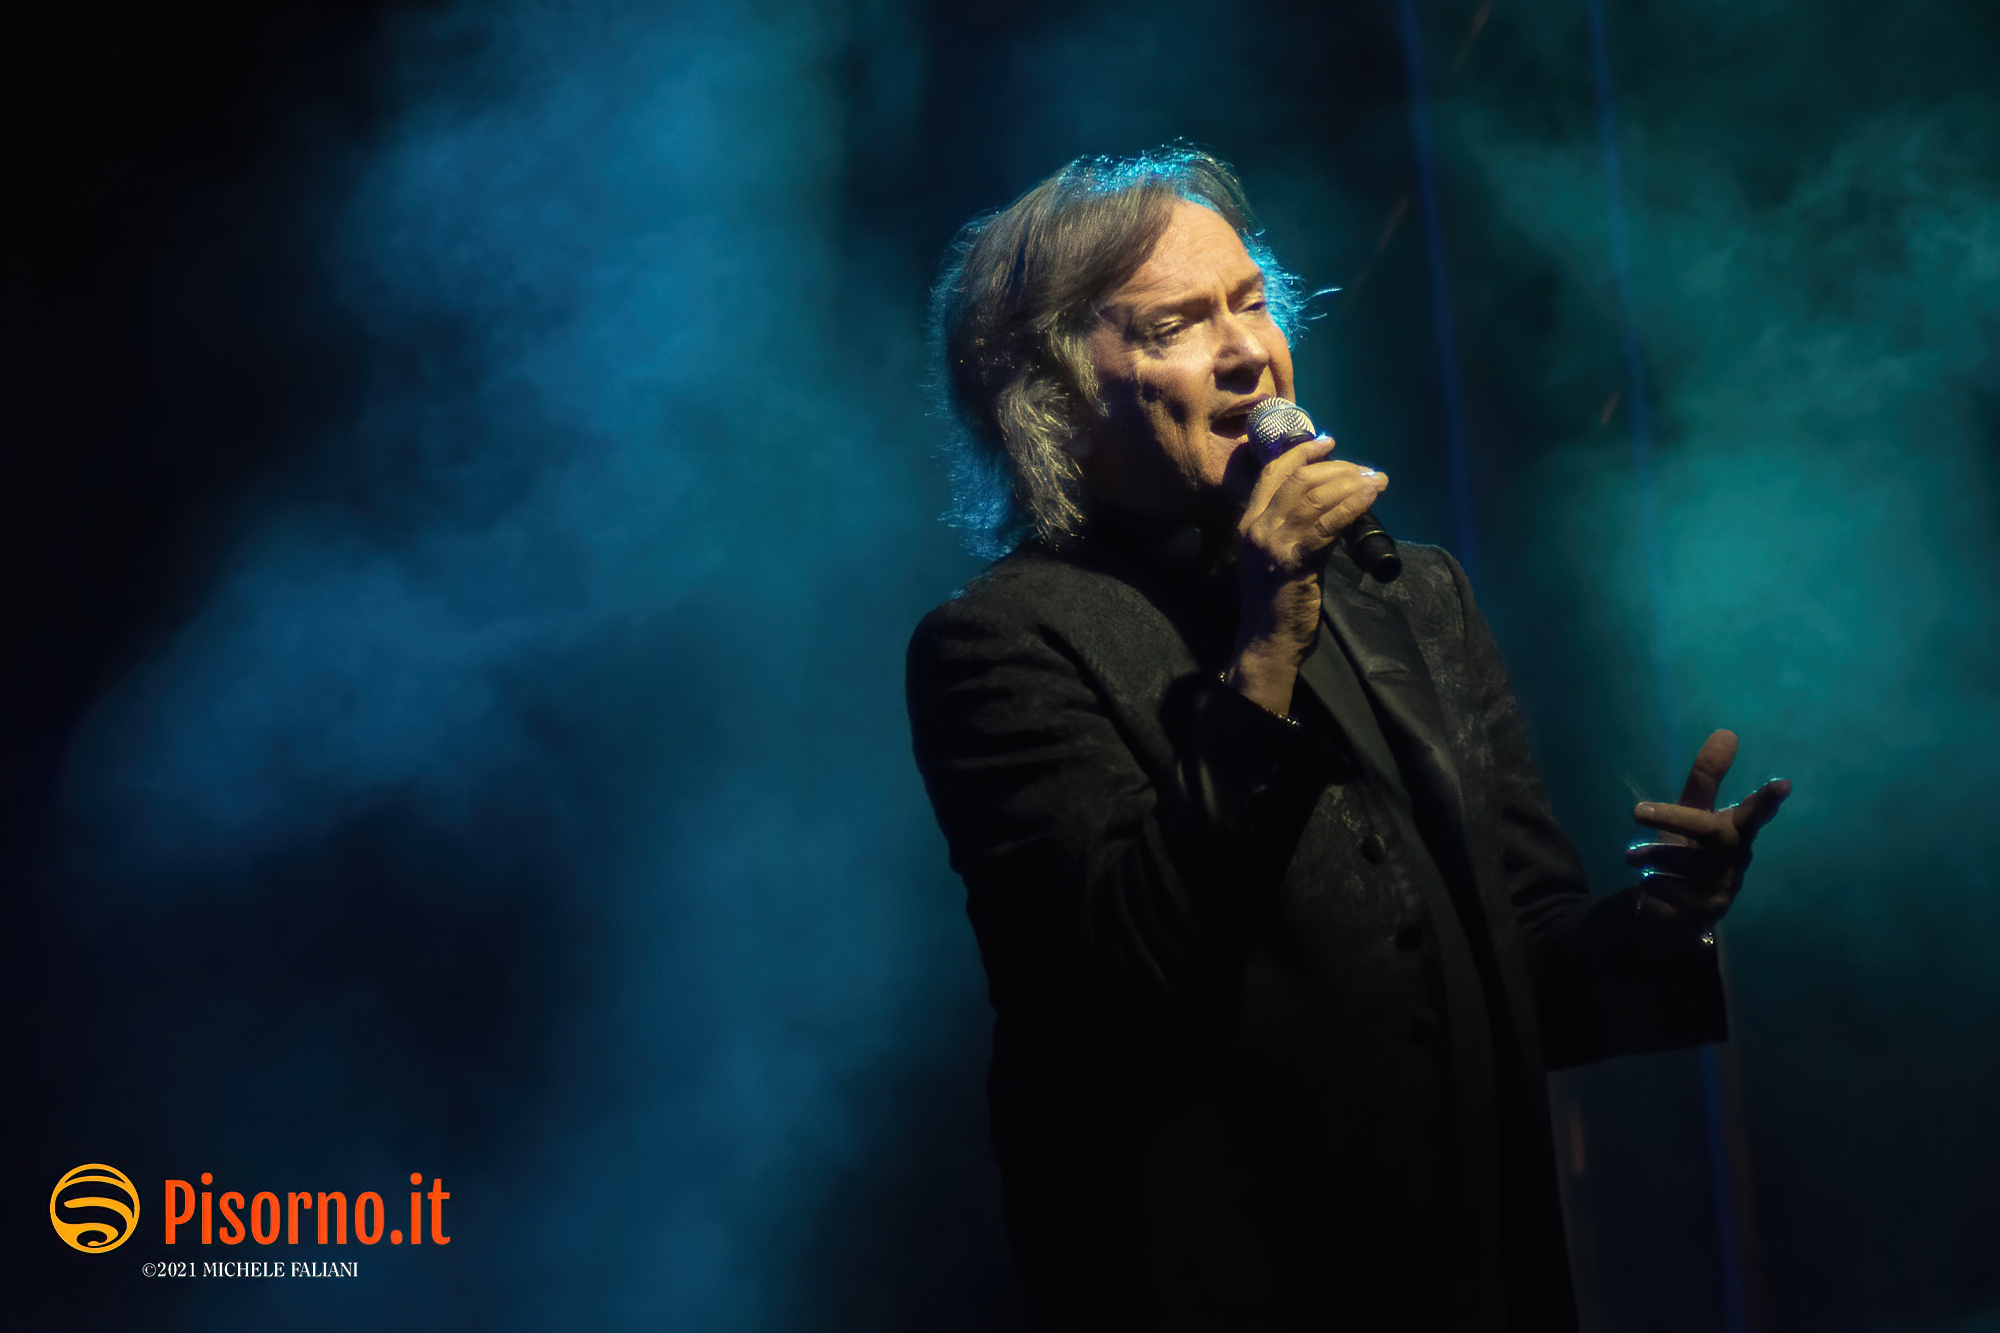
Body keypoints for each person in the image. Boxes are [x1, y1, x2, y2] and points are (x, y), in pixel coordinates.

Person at [904, 147, 1789, 1332]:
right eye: (1175, 324)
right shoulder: (1002, 644)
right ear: (1049, 395)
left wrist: (1663, 921)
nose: (1244, 352)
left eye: (1250, 302)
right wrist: (1265, 641)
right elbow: (1126, 986)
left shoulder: (1412, 596)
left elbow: (1523, 967)